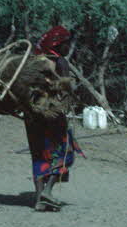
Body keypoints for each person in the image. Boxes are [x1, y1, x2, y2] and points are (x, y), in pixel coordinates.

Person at [24, 25, 83, 212]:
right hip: (52, 116)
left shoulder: (34, 61)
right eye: (66, 44)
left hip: (31, 116)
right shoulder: (60, 62)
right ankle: (47, 191)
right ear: (58, 44)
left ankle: (39, 200)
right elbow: (66, 89)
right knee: (64, 153)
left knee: (38, 154)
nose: (68, 47)